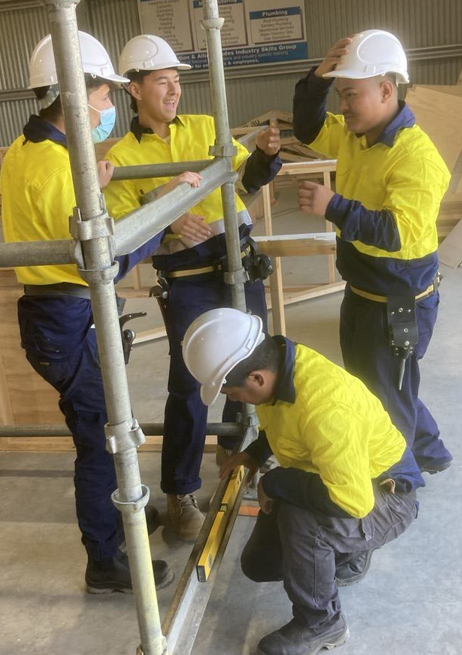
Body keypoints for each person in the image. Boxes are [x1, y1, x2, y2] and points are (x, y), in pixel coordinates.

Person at [0, 31, 199, 594]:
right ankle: (105, 560)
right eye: (105, 96)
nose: (110, 107)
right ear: (73, 95)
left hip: (49, 317)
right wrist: (163, 210)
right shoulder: (58, 168)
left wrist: (95, 184)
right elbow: (104, 256)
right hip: (68, 317)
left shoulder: (27, 150)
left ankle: (115, 518)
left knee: (101, 430)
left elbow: (56, 214)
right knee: (101, 439)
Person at [103, 34, 282, 540]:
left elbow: (244, 184)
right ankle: (180, 492)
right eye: (162, 81)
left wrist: (266, 158)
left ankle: (237, 448)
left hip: (238, 261)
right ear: (134, 89)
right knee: (189, 384)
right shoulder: (122, 157)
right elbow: (122, 233)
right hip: (187, 277)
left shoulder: (206, 127)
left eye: (177, 81)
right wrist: (168, 222)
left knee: (254, 364)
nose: (174, 90)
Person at [182, 307, 424, 655]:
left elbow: (351, 502)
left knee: (303, 521)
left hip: (384, 494)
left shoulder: (325, 409)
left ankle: (323, 623)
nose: (232, 399)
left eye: (231, 393)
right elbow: (283, 423)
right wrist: (253, 454)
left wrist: (277, 481)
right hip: (343, 475)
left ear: (256, 379)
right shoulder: (281, 366)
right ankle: (349, 550)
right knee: (260, 565)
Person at [292, 30, 453, 475]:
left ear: (386, 90)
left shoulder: (416, 158)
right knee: (378, 386)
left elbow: (398, 232)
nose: (342, 106)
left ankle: (397, 484)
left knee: (386, 396)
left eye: (350, 94)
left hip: (398, 301)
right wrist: (317, 80)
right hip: (364, 288)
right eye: (340, 94)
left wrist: (334, 207)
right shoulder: (355, 135)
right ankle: (432, 452)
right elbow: (308, 127)